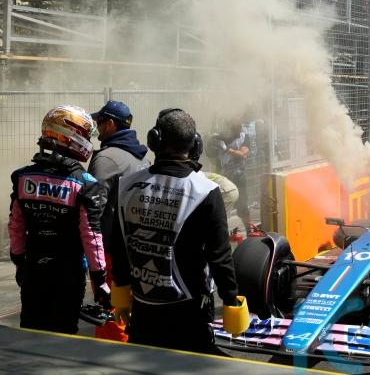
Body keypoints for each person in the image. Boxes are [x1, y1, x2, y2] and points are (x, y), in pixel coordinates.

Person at [110, 108, 249, 352]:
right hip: (189, 310)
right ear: (196, 144)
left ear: (154, 140)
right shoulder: (205, 191)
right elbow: (219, 256)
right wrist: (231, 303)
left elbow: (119, 243)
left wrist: (121, 292)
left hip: (144, 306)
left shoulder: (126, 185)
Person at [8, 105, 110, 334]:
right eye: (85, 135)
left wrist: (19, 261)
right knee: (63, 337)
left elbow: (16, 225)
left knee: (31, 330)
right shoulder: (86, 183)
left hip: (33, 267)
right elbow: (91, 235)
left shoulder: (22, 176)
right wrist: (99, 279)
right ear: (72, 137)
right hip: (69, 272)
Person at [88, 100, 150, 341]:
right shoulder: (141, 156)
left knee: (110, 307)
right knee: (131, 305)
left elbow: (93, 208)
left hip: (110, 250)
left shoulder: (106, 158)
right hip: (138, 245)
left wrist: (87, 247)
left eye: (100, 122)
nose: (98, 127)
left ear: (111, 124)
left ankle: (112, 352)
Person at [213, 121, 251, 227]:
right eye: (237, 127)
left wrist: (226, 149)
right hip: (223, 176)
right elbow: (211, 155)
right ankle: (223, 232)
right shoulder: (221, 137)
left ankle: (249, 230)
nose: (240, 129)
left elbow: (242, 154)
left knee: (242, 206)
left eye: (240, 126)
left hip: (238, 176)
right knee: (221, 207)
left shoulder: (244, 136)